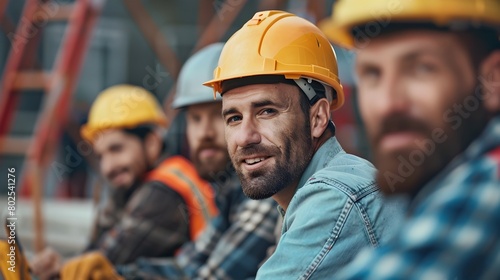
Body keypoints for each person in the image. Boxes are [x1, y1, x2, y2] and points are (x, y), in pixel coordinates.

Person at [203, 10, 407, 279]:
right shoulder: (304, 194)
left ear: (318, 117)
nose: (245, 137)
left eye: (267, 111)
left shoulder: (335, 198)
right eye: (234, 118)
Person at [59, 43, 279, 280]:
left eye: (221, 115)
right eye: (194, 119)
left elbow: (210, 277)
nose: (204, 133)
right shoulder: (229, 192)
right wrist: (116, 275)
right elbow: (185, 267)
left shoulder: (262, 191)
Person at [320, 0, 500, 278]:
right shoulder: (438, 183)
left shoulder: (489, 184)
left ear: (493, 79)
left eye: (422, 69)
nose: (388, 103)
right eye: (372, 74)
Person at [31, 84, 218, 279]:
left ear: (152, 144)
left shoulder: (164, 193)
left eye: (116, 149)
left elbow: (100, 265)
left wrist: (60, 269)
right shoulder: (133, 184)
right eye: (101, 156)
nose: (107, 167)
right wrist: (61, 264)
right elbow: (94, 249)